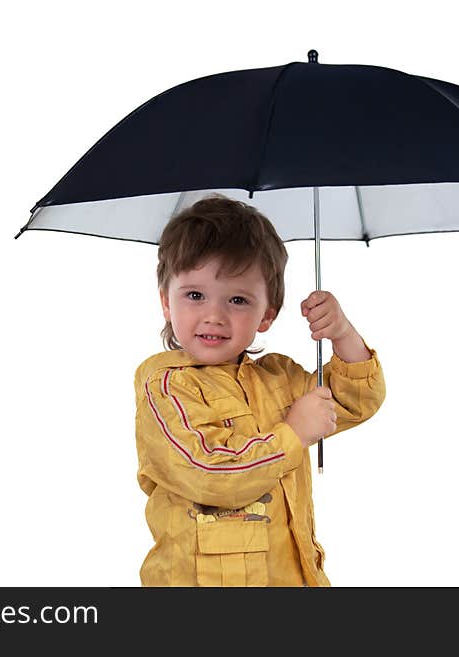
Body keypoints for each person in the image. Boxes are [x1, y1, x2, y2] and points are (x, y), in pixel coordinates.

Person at [133, 194, 386, 587]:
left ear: (267, 314)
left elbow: (355, 400)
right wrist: (294, 434)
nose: (214, 315)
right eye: (195, 295)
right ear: (167, 301)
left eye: (237, 299)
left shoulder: (280, 377)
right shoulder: (166, 386)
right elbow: (208, 473)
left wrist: (342, 334)